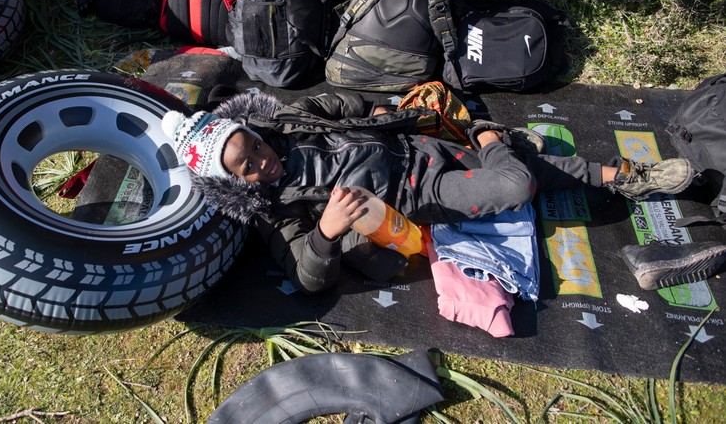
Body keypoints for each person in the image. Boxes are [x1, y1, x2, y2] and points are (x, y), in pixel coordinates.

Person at [161, 90, 710, 294]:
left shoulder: (288, 119)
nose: (263, 159)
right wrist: (326, 233)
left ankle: (626, 178)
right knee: (517, 182)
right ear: (233, 181)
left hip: (414, 143)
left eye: (254, 146)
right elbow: (306, 274)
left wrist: (377, 110)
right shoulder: (275, 211)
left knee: (536, 167)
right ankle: (493, 137)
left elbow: (341, 103)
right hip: (423, 190)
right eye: (248, 166)